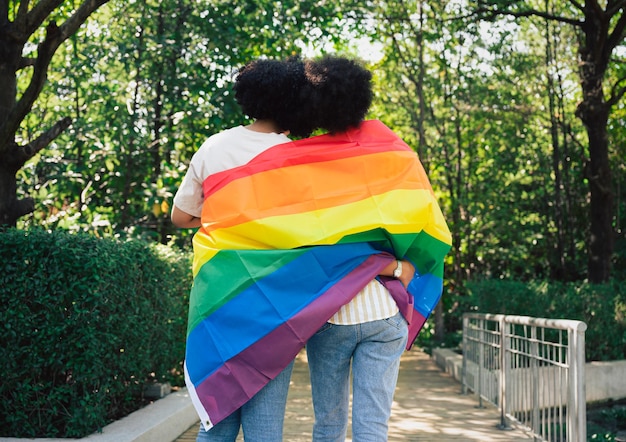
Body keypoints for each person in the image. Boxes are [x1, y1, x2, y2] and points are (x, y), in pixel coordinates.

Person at [172, 54, 451, 442]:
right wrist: (395, 266)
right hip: (329, 309)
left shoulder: (238, 151)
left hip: (237, 301)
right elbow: (328, 239)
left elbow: (183, 217)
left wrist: (234, 225)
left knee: (224, 422)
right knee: (304, 429)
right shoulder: (346, 154)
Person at [171, 57, 318, 442]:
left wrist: (227, 222)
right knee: (264, 428)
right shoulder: (298, 159)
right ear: (293, 102)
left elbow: (181, 216)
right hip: (273, 304)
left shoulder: (214, 147)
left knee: (216, 420)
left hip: (216, 300)